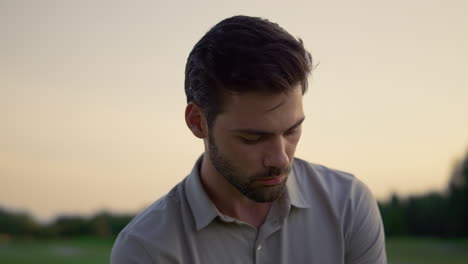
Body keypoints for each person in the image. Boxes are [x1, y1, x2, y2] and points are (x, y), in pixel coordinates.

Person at [111, 15, 387, 263]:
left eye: (292, 130)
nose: (280, 158)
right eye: (253, 138)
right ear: (197, 122)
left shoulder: (347, 206)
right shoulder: (145, 249)